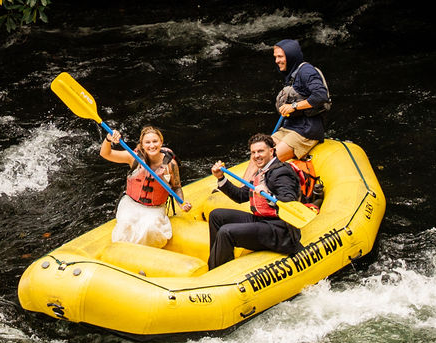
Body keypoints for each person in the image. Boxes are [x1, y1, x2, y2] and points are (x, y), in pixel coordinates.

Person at [207, 133, 302, 270]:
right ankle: (217, 261)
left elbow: (289, 202)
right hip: (262, 221)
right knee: (217, 216)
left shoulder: (282, 172)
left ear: (271, 151)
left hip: (280, 230)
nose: (256, 155)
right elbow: (241, 196)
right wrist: (221, 178)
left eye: (260, 151)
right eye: (253, 152)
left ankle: (217, 272)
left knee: (226, 231)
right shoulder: (261, 171)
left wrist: (268, 194)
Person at [101, 126, 191, 248]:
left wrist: (181, 203)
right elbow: (105, 154)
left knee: (150, 227)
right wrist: (108, 139)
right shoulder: (134, 157)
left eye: (155, 141)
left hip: (155, 207)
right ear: (142, 145)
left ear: (161, 142)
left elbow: (176, 187)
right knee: (126, 224)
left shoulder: (170, 164)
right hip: (131, 203)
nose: (152, 145)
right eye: (147, 142)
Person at [271, 39, 329, 162]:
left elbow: (320, 95)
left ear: (291, 56)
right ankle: (238, 182)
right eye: (275, 57)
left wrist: (294, 106)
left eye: (280, 56)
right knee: (260, 151)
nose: (277, 61)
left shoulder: (306, 72)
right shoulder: (291, 72)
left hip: (307, 131)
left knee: (270, 158)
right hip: (290, 127)